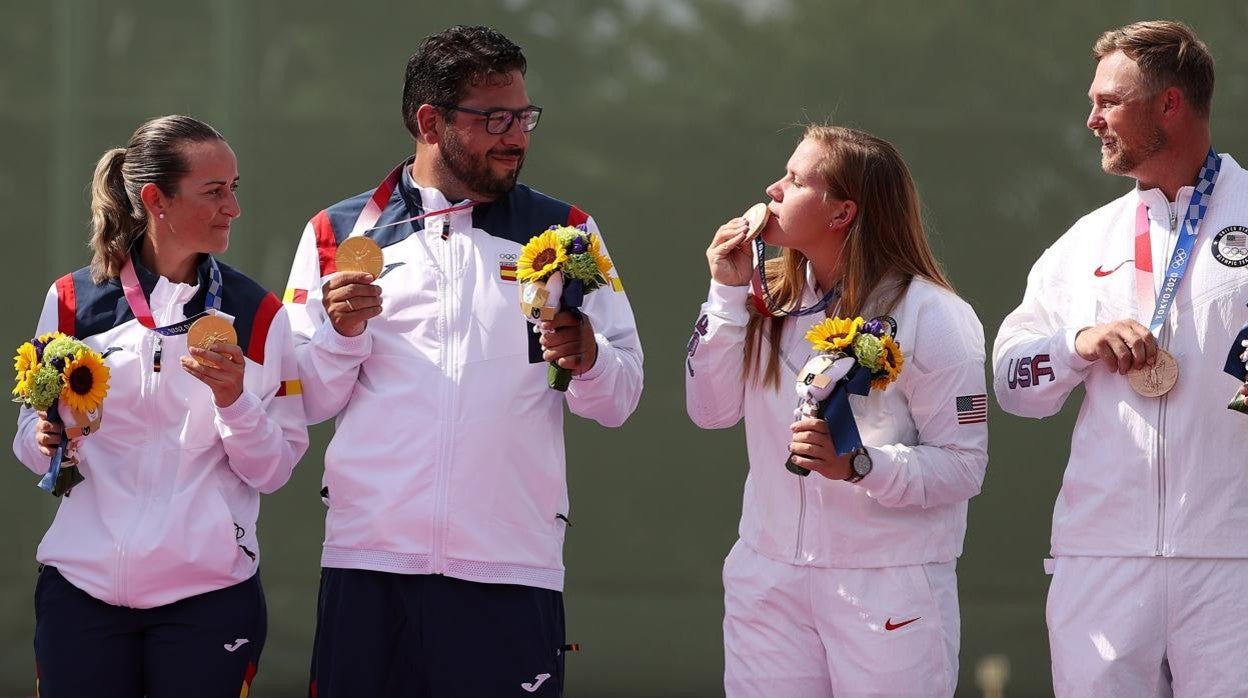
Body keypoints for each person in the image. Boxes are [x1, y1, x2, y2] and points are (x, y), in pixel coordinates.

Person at [282, 25, 642, 697]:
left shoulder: (567, 232)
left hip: (510, 565)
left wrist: (589, 359)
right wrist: (341, 334)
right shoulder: (337, 232)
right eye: (495, 119)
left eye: (525, 116)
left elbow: (620, 397)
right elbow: (303, 401)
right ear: (430, 121)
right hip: (370, 564)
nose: (517, 136)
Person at [11, 115, 308, 697]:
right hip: (82, 589)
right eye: (214, 191)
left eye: (235, 188)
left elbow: (274, 469)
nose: (233, 207)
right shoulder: (71, 299)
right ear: (156, 199)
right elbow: (30, 436)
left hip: (208, 598)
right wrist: (45, 441)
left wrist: (234, 401)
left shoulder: (259, 313)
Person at [686, 125, 988, 697]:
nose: (773, 188)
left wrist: (859, 465)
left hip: (886, 584)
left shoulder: (933, 314)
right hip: (768, 576)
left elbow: (963, 466)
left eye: (796, 180)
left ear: (841, 212)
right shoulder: (763, 296)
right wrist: (724, 294)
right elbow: (709, 410)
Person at [992, 20, 1248, 696]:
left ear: (1169, 103)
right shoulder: (1085, 242)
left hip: (1234, 556)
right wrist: (1076, 346)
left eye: (1109, 101)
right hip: (1102, 554)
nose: (1092, 119)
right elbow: (1012, 381)